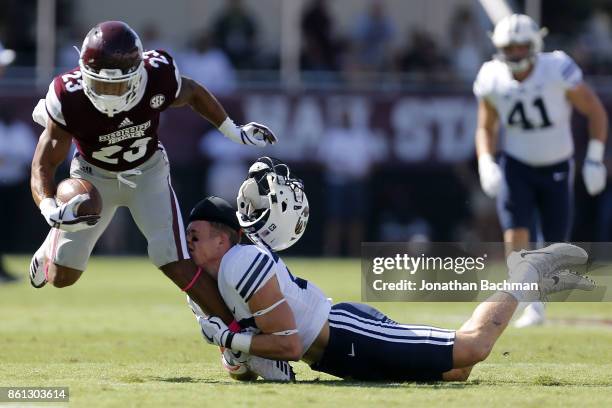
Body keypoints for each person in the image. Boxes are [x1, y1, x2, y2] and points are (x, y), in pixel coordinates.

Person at [186, 158, 594, 381]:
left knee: (474, 348)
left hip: (349, 332)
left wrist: (230, 340)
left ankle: (527, 273)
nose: (189, 244)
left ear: (224, 239)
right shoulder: (211, 285)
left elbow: (287, 348)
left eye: (197, 235)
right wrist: (234, 352)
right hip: (336, 358)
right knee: (458, 371)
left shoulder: (242, 261)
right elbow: (248, 365)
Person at [28, 21, 276, 324]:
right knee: (63, 278)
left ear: (137, 73)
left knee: (175, 260)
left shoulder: (157, 75)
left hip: (148, 173)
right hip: (93, 178)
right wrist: (49, 207)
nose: (108, 94)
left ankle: (236, 332)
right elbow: (43, 163)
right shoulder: (69, 94)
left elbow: (194, 92)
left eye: (116, 85)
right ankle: (54, 240)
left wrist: (233, 132)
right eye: (100, 84)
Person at [473, 14, 608, 327]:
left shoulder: (556, 68)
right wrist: (485, 160)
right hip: (517, 164)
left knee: (553, 243)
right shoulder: (492, 75)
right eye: (510, 47)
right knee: (516, 233)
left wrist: (595, 158)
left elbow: (594, 110)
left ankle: (537, 301)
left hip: (557, 165)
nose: (517, 53)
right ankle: (527, 301)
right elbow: (485, 126)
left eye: (522, 46)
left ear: (534, 45)